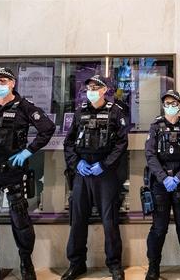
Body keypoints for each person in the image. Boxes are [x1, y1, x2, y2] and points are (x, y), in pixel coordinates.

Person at [0, 67, 56, 280]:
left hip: (12, 172)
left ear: (13, 83)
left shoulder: (24, 107)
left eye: (4, 81)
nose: (0, 84)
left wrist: (28, 151)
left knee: (20, 221)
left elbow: (47, 129)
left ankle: (26, 265)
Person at [62, 75, 129, 280]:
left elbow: (121, 144)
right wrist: (76, 163)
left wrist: (105, 164)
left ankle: (115, 265)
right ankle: (76, 263)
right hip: (83, 172)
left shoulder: (116, 112)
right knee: (78, 220)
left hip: (104, 173)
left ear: (103, 90)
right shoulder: (80, 111)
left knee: (110, 221)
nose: (91, 90)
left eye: (95, 87)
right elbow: (69, 143)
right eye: (89, 87)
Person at [144, 90, 180, 280]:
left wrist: (178, 177)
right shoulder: (156, 126)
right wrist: (163, 178)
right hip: (160, 185)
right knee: (159, 228)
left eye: (174, 102)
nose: (171, 105)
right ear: (163, 105)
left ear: (179, 104)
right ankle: (153, 267)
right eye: (167, 102)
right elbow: (150, 155)